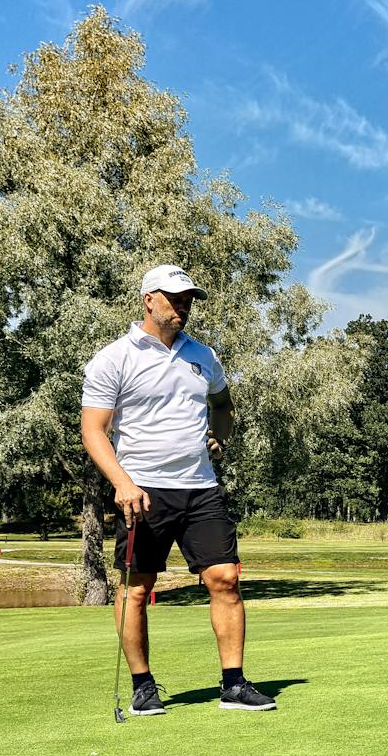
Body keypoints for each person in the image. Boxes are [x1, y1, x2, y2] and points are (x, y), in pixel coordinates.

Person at [79, 265, 276, 714]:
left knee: (224, 578)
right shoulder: (115, 358)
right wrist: (122, 483)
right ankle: (143, 685)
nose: (183, 304)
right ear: (149, 299)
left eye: (188, 297)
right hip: (143, 489)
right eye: (174, 297)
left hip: (201, 487)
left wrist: (220, 437)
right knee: (136, 589)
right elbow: (94, 430)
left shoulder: (203, 355)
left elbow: (223, 406)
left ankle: (234, 684)